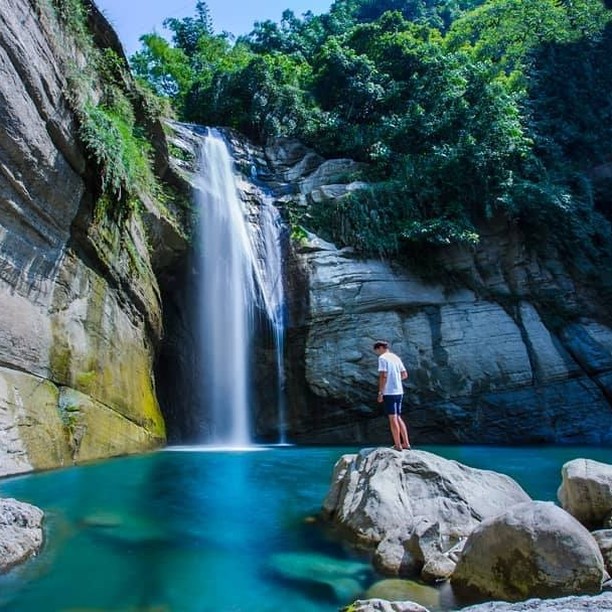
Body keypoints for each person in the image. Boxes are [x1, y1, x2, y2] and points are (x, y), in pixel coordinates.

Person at [373, 340, 411, 451]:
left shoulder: (382, 358)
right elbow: (405, 374)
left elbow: (383, 375)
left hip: (389, 392)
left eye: (376, 351)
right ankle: (406, 443)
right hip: (399, 391)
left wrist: (381, 392)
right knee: (398, 417)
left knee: (392, 418)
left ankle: (398, 445)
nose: (377, 354)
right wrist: (395, 380)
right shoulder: (396, 357)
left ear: (380, 348)